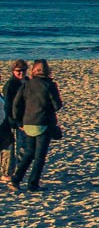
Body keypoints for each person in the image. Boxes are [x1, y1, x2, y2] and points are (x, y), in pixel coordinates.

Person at [9, 59, 62, 192]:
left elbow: (16, 104)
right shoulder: (50, 85)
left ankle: (16, 180)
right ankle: (32, 184)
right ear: (47, 71)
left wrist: (19, 120)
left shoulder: (27, 84)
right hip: (43, 123)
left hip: (28, 122)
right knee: (39, 157)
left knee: (28, 154)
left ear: (33, 70)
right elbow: (57, 106)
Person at [2, 61, 26, 182]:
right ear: (13, 72)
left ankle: (16, 172)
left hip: (25, 119)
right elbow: (8, 106)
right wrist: (15, 123)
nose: (21, 73)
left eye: (24, 70)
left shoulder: (27, 82)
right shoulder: (11, 85)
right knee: (12, 149)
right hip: (13, 122)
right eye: (18, 71)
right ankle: (7, 173)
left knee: (22, 148)